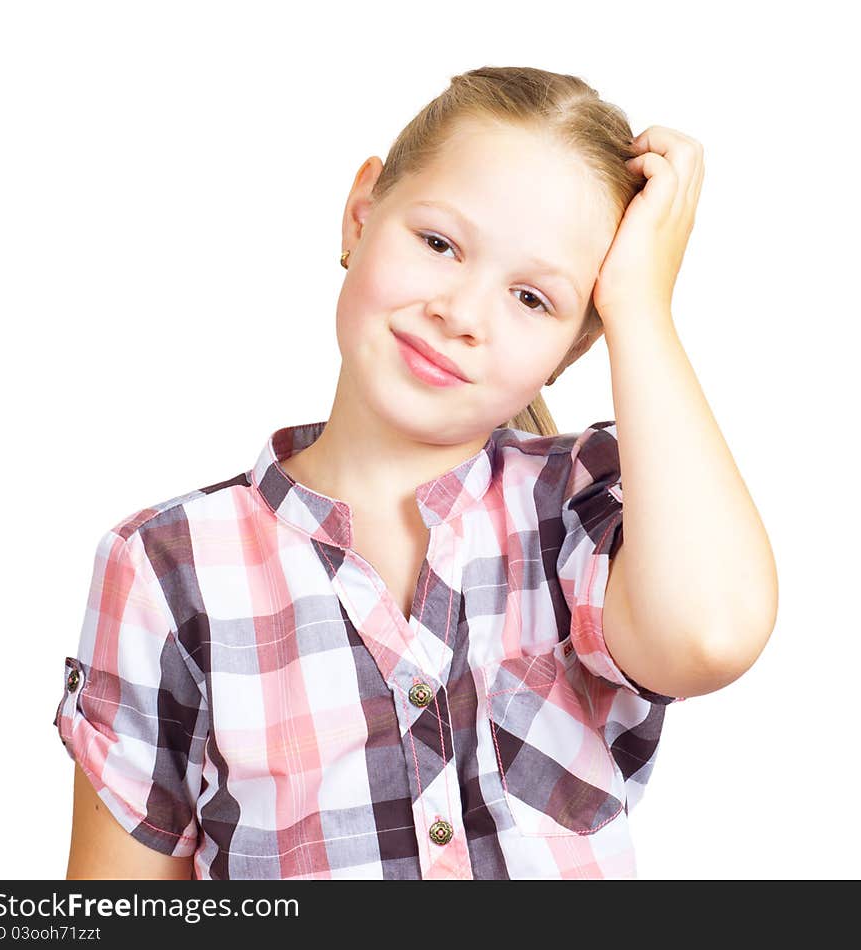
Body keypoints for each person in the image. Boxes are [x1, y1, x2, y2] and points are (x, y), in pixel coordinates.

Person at [54, 65, 778, 880]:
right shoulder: (166, 568)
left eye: (533, 299)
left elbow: (711, 632)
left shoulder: (580, 508)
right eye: (438, 244)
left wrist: (643, 308)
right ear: (362, 214)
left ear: (575, 347)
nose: (461, 314)